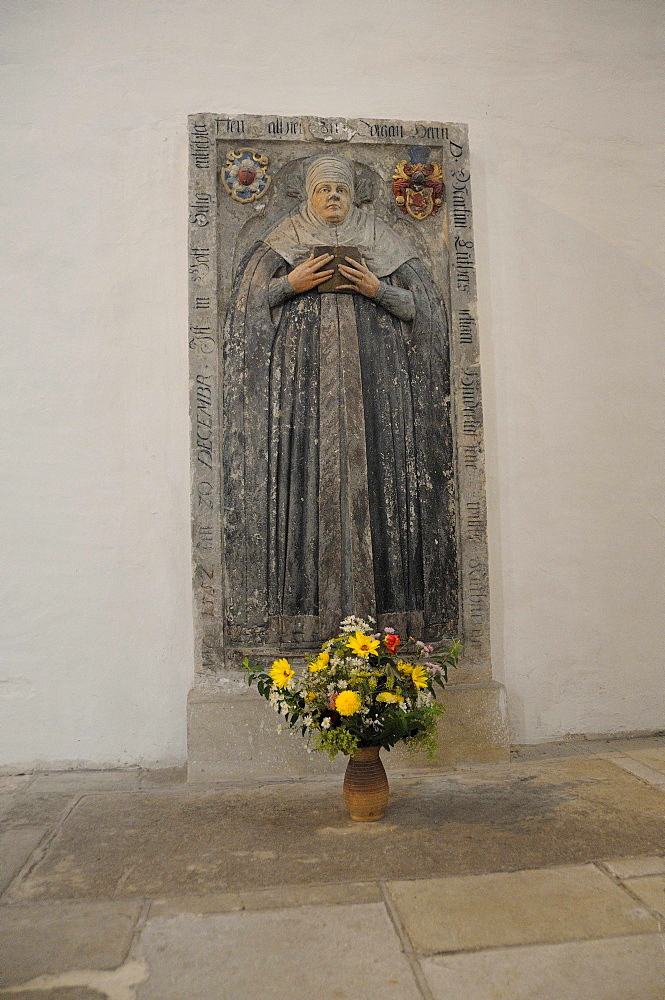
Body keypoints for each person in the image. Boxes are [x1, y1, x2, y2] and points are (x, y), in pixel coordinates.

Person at [223, 154, 456, 646]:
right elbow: (244, 304)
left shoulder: (380, 238)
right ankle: (299, 619)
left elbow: (427, 309)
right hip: (301, 385)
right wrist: (291, 284)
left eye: (341, 190)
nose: (333, 197)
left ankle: (393, 623)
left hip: (377, 380)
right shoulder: (283, 238)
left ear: (353, 196)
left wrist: (377, 290)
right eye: (323, 189)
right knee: (305, 478)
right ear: (307, 196)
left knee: (378, 476)